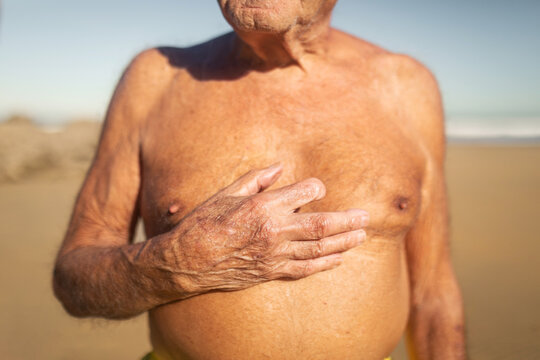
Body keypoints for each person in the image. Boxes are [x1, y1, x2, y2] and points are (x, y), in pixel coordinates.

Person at [53, 1, 466, 359]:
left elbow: (433, 295)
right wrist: (177, 264)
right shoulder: (157, 77)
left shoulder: (407, 87)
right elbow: (73, 280)